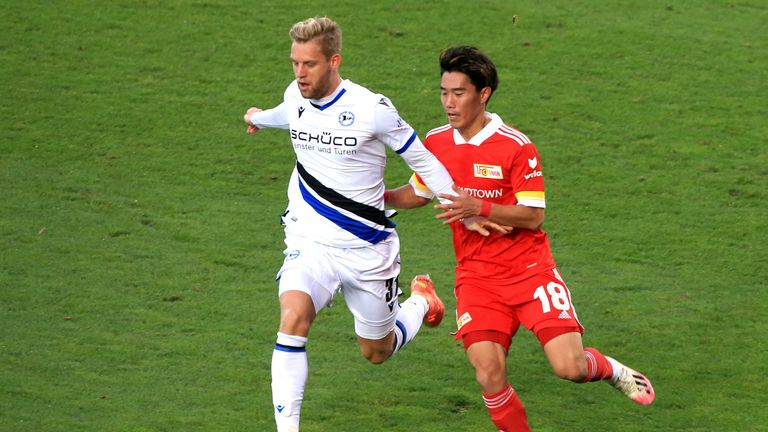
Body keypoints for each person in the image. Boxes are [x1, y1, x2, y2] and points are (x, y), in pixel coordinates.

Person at [384, 46, 655, 431]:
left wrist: (479, 207)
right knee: (487, 373)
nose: (448, 102)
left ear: (484, 94)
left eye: (458, 93)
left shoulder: (515, 146)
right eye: (444, 92)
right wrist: (377, 195)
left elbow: (533, 216)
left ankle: (611, 369)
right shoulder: (438, 142)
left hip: (530, 273)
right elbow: (418, 193)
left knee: (570, 367)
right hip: (477, 278)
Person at [242, 17, 459, 432]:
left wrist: (458, 205)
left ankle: (421, 303)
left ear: (334, 60)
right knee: (292, 317)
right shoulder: (296, 94)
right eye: (294, 63)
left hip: (368, 249)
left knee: (376, 351)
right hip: (310, 239)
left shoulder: (372, 110)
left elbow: (424, 161)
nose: (300, 74)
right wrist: (258, 116)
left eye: (309, 64)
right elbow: (288, 113)